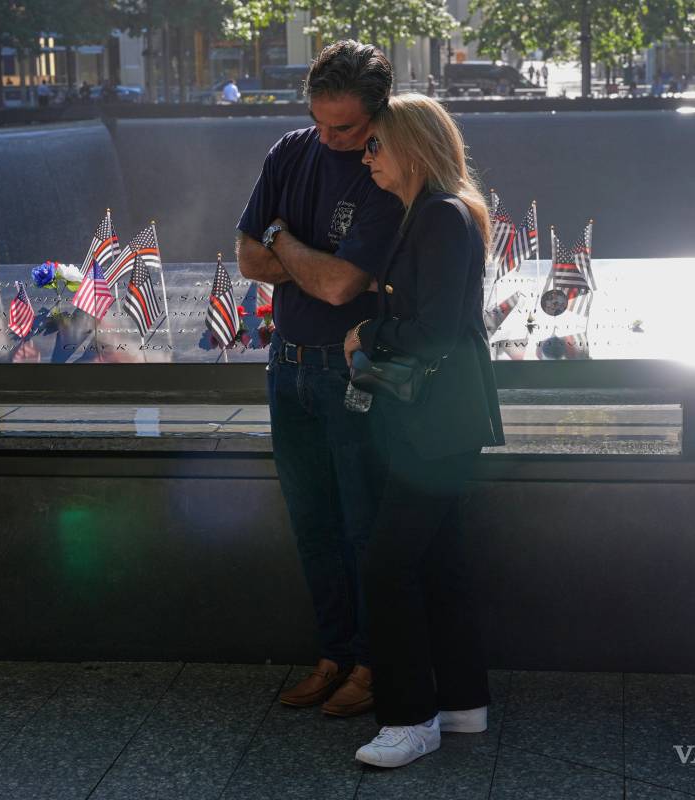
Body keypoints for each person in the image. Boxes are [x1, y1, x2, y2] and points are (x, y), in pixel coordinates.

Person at [236, 40, 404, 718]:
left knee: (365, 525)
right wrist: (303, 257)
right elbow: (246, 259)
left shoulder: (389, 167)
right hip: (289, 368)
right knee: (312, 524)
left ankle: (373, 662)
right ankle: (334, 653)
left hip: (354, 370)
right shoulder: (288, 151)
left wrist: (282, 239)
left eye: (347, 128)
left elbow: (340, 287)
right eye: (321, 122)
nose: (331, 139)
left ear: (379, 115)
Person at [343, 92, 504, 768]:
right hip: (447, 420)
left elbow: (436, 329)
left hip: (433, 425)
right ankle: (463, 704)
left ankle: (410, 720)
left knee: (386, 568)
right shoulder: (441, 212)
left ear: (411, 147)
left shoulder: (439, 215)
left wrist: (367, 333)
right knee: (440, 562)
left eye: (375, 144)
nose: (366, 156)